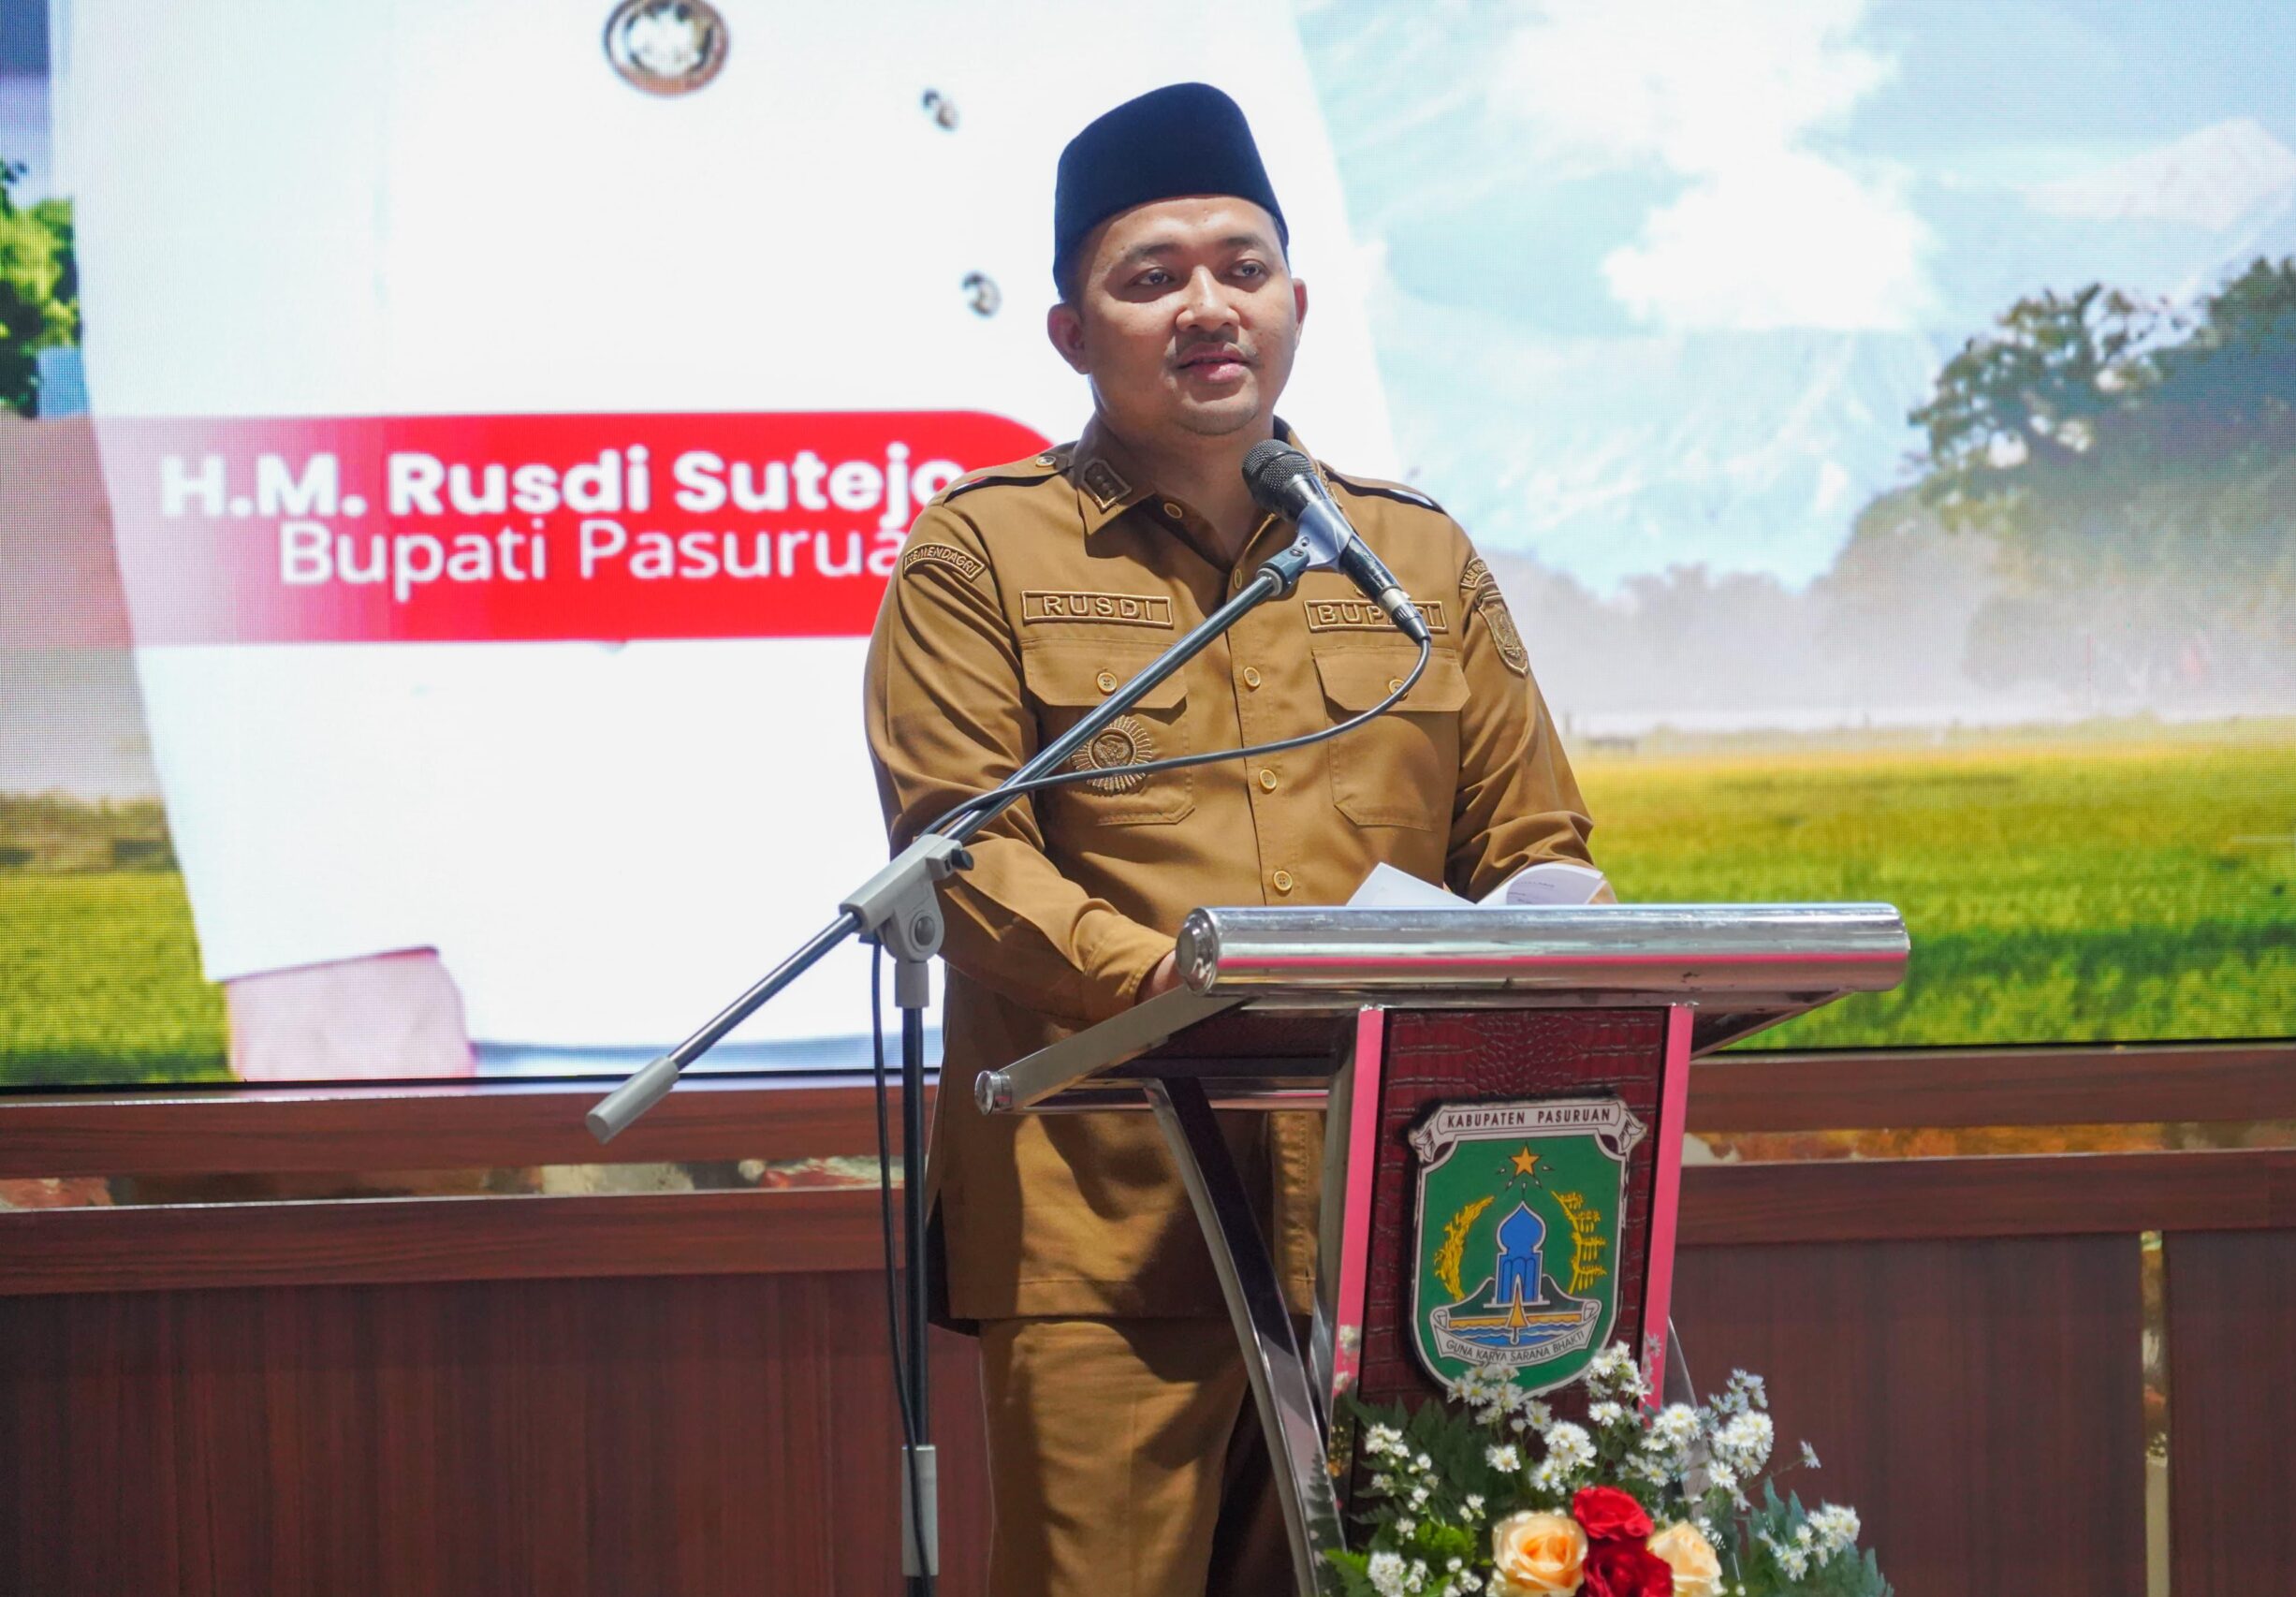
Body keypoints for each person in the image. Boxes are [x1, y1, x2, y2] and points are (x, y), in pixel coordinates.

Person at [58, 0, 1394, 1078]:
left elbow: (1275, 304)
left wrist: (1353, 850)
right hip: (597, 892)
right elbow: (224, 259)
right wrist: (316, 907)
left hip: (1136, 896)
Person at [864, 83, 1603, 1597]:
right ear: (1070, 333)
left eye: (1242, 268)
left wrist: (1563, 929)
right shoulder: (979, 552)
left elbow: (1533, 841)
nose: (1208, 307)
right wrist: (1183, 989)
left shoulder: (1412, 557)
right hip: (1109, 1237)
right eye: (1152, 277)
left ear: (1297, 305)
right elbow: (966, 851)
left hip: (1403, 1233)